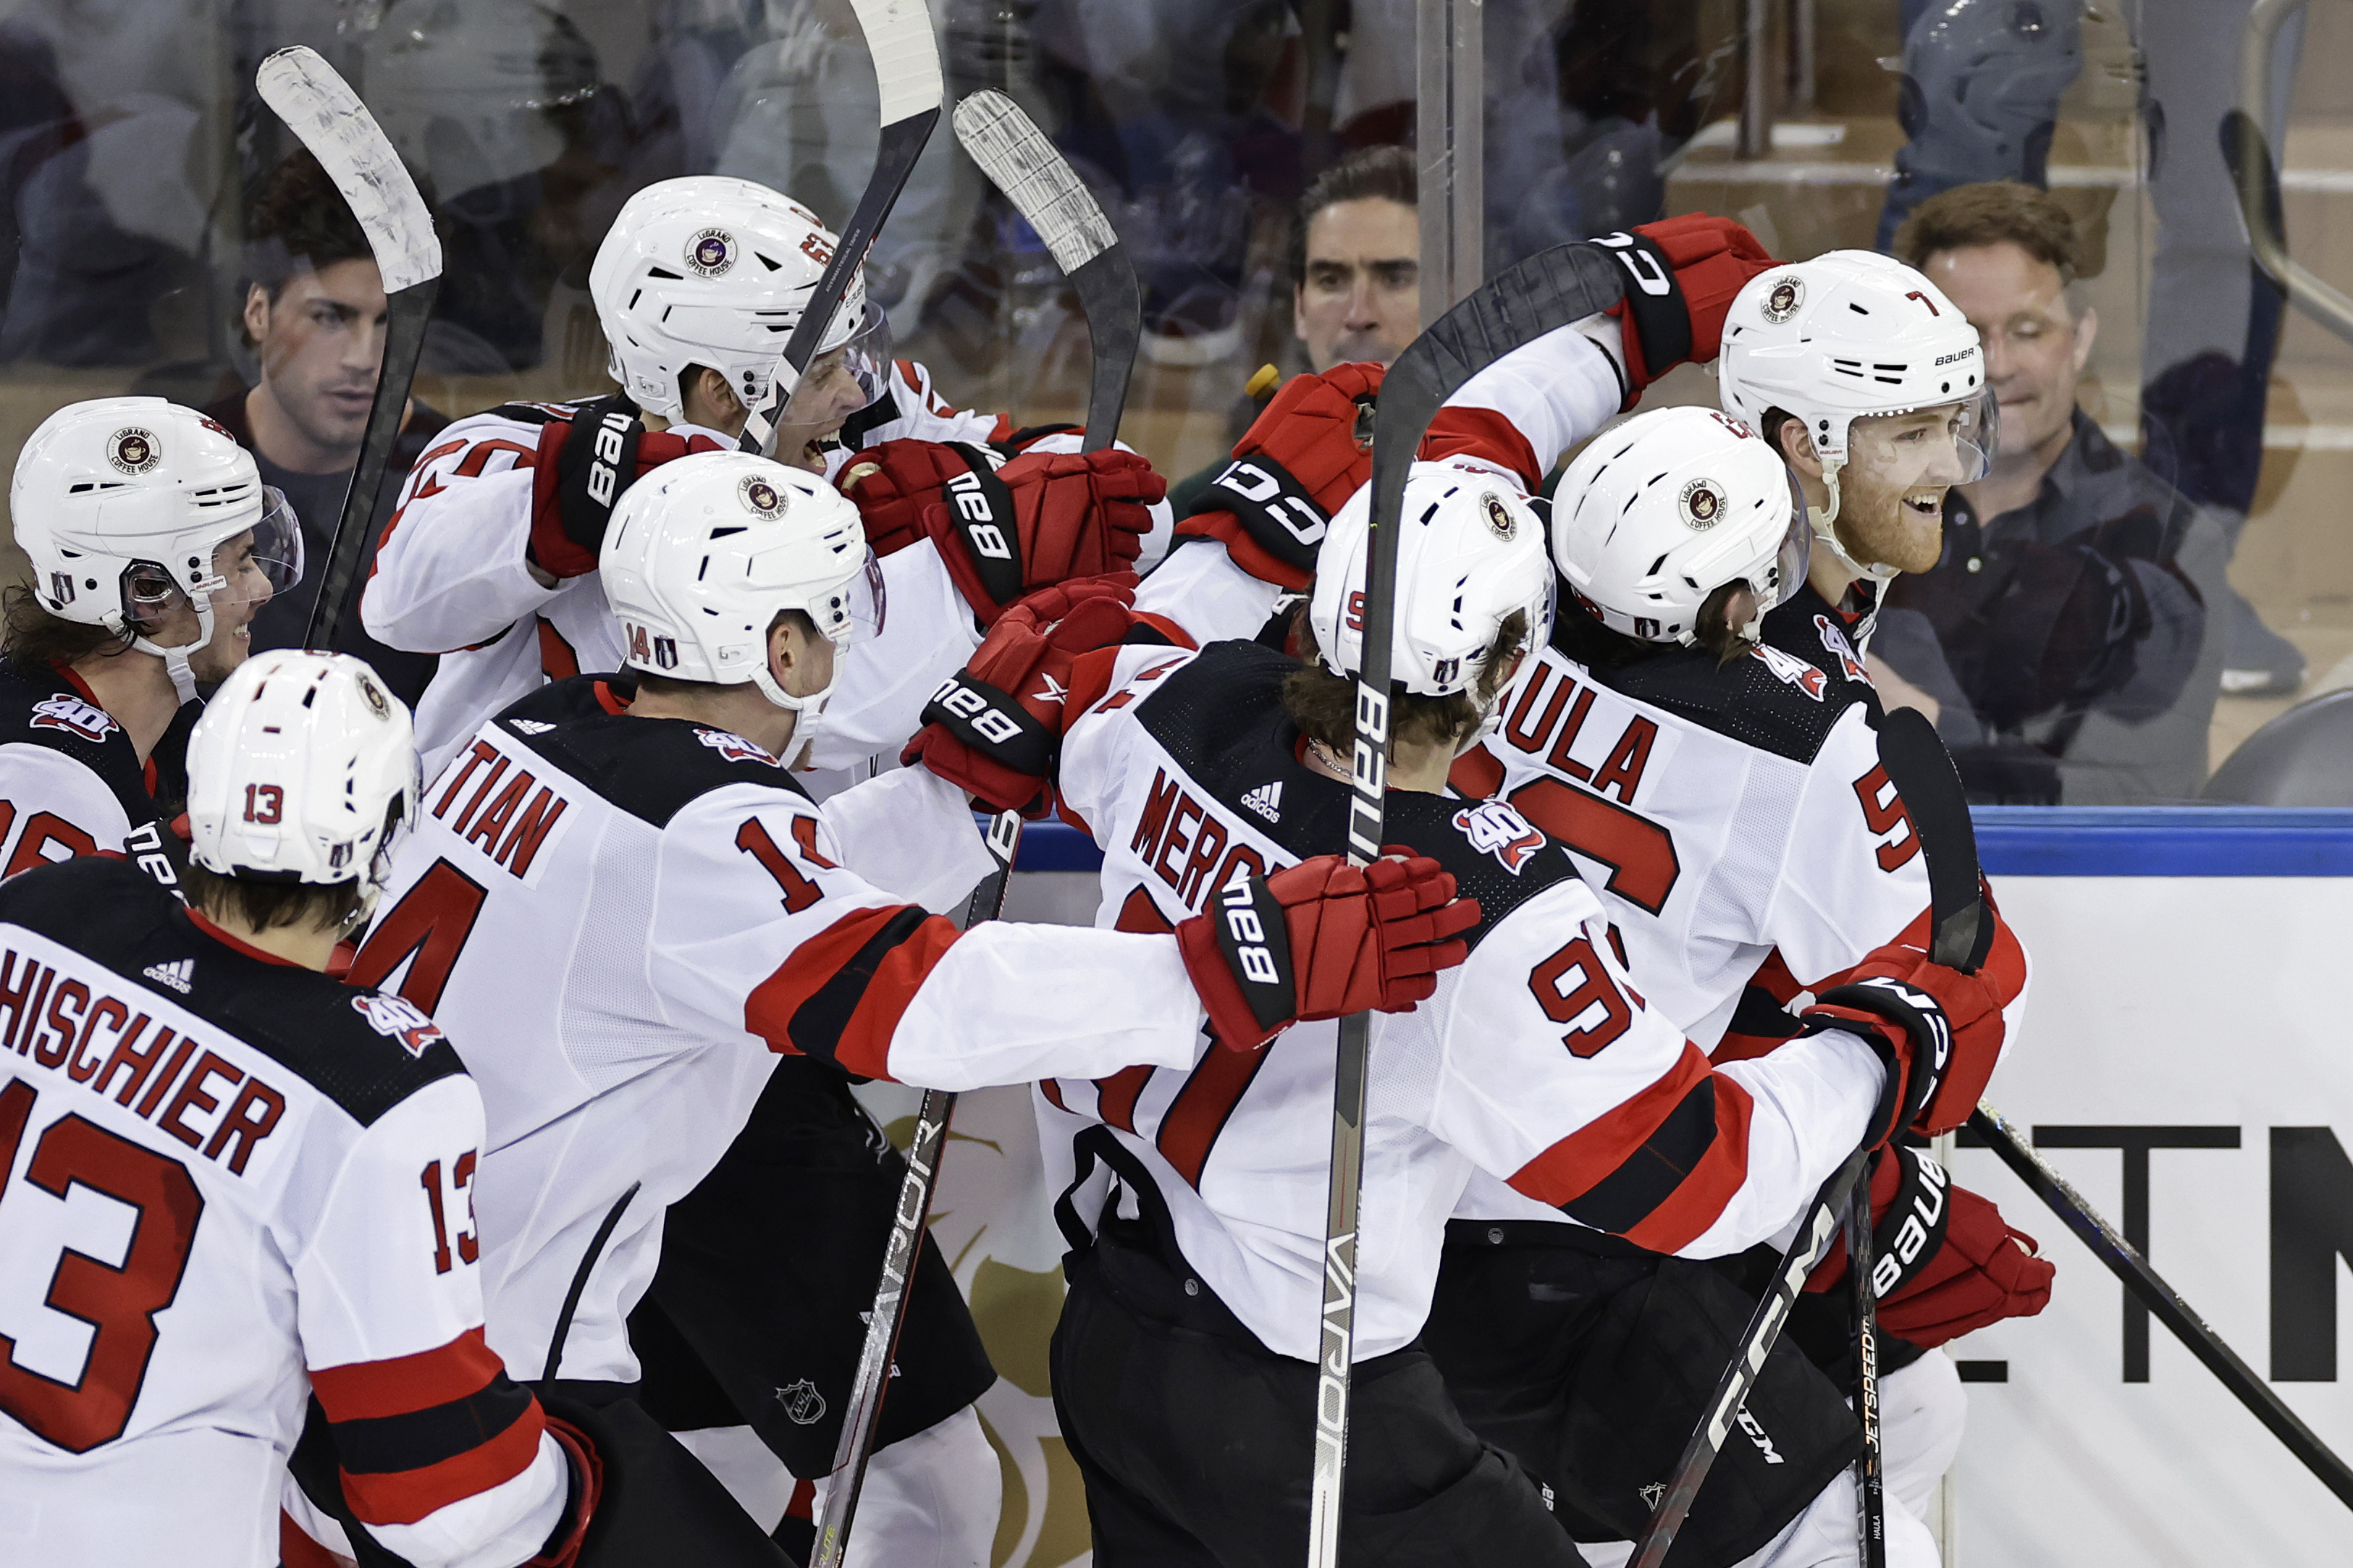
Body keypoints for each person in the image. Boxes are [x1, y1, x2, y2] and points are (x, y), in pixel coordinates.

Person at [348, 449, 1458, 1565]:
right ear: (778, 650)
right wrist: (1224, 962)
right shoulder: (695, 829)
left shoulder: (542, 733)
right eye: (833, 626)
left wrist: (953, 788)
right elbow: (920, 998)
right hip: (486, 1379)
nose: (843, 658)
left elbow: (766, 893)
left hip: (402, 1320)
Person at [903, 460, 1998, 1565]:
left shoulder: (1171, 704)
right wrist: (1877, 1047)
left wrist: (1040, 644)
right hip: (1311, 1409)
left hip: (1107, 1335)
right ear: (1513, 665)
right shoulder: (1467, 904)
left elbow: (1087, 668)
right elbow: (1691, 1176)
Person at [0, 648, 597, 1568]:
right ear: (387, 839)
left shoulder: (37, 907)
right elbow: (439, 1504)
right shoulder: (378, 1087)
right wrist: (578, 1491)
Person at [363, 173, 1166, 783]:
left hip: (796, 901)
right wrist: (597, 500)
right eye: (822, 372)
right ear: (720, 392)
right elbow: (399, 607)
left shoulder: (862, 426)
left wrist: (966, 490)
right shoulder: (513, 452)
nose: (853, 391)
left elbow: (1135, 506)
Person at [1876, 180, 2227, 804]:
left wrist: (1925, 724)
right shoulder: (1856, 519)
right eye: (1965, 334)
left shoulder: (2168, 543)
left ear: (2082, 336)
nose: (1998, 364)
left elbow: (2130, 802)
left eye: (2030, 330)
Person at [0, 396, 298, 883]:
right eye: (242, 563)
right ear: (149, 593)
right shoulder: (42, 781)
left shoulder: (167, 732)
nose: (262, 589)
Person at [211, 147, 450, 707]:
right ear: (258, 312)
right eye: (331, 318)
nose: (364, 358)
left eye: (388, 321)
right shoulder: (183, 463)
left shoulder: (456, 482)